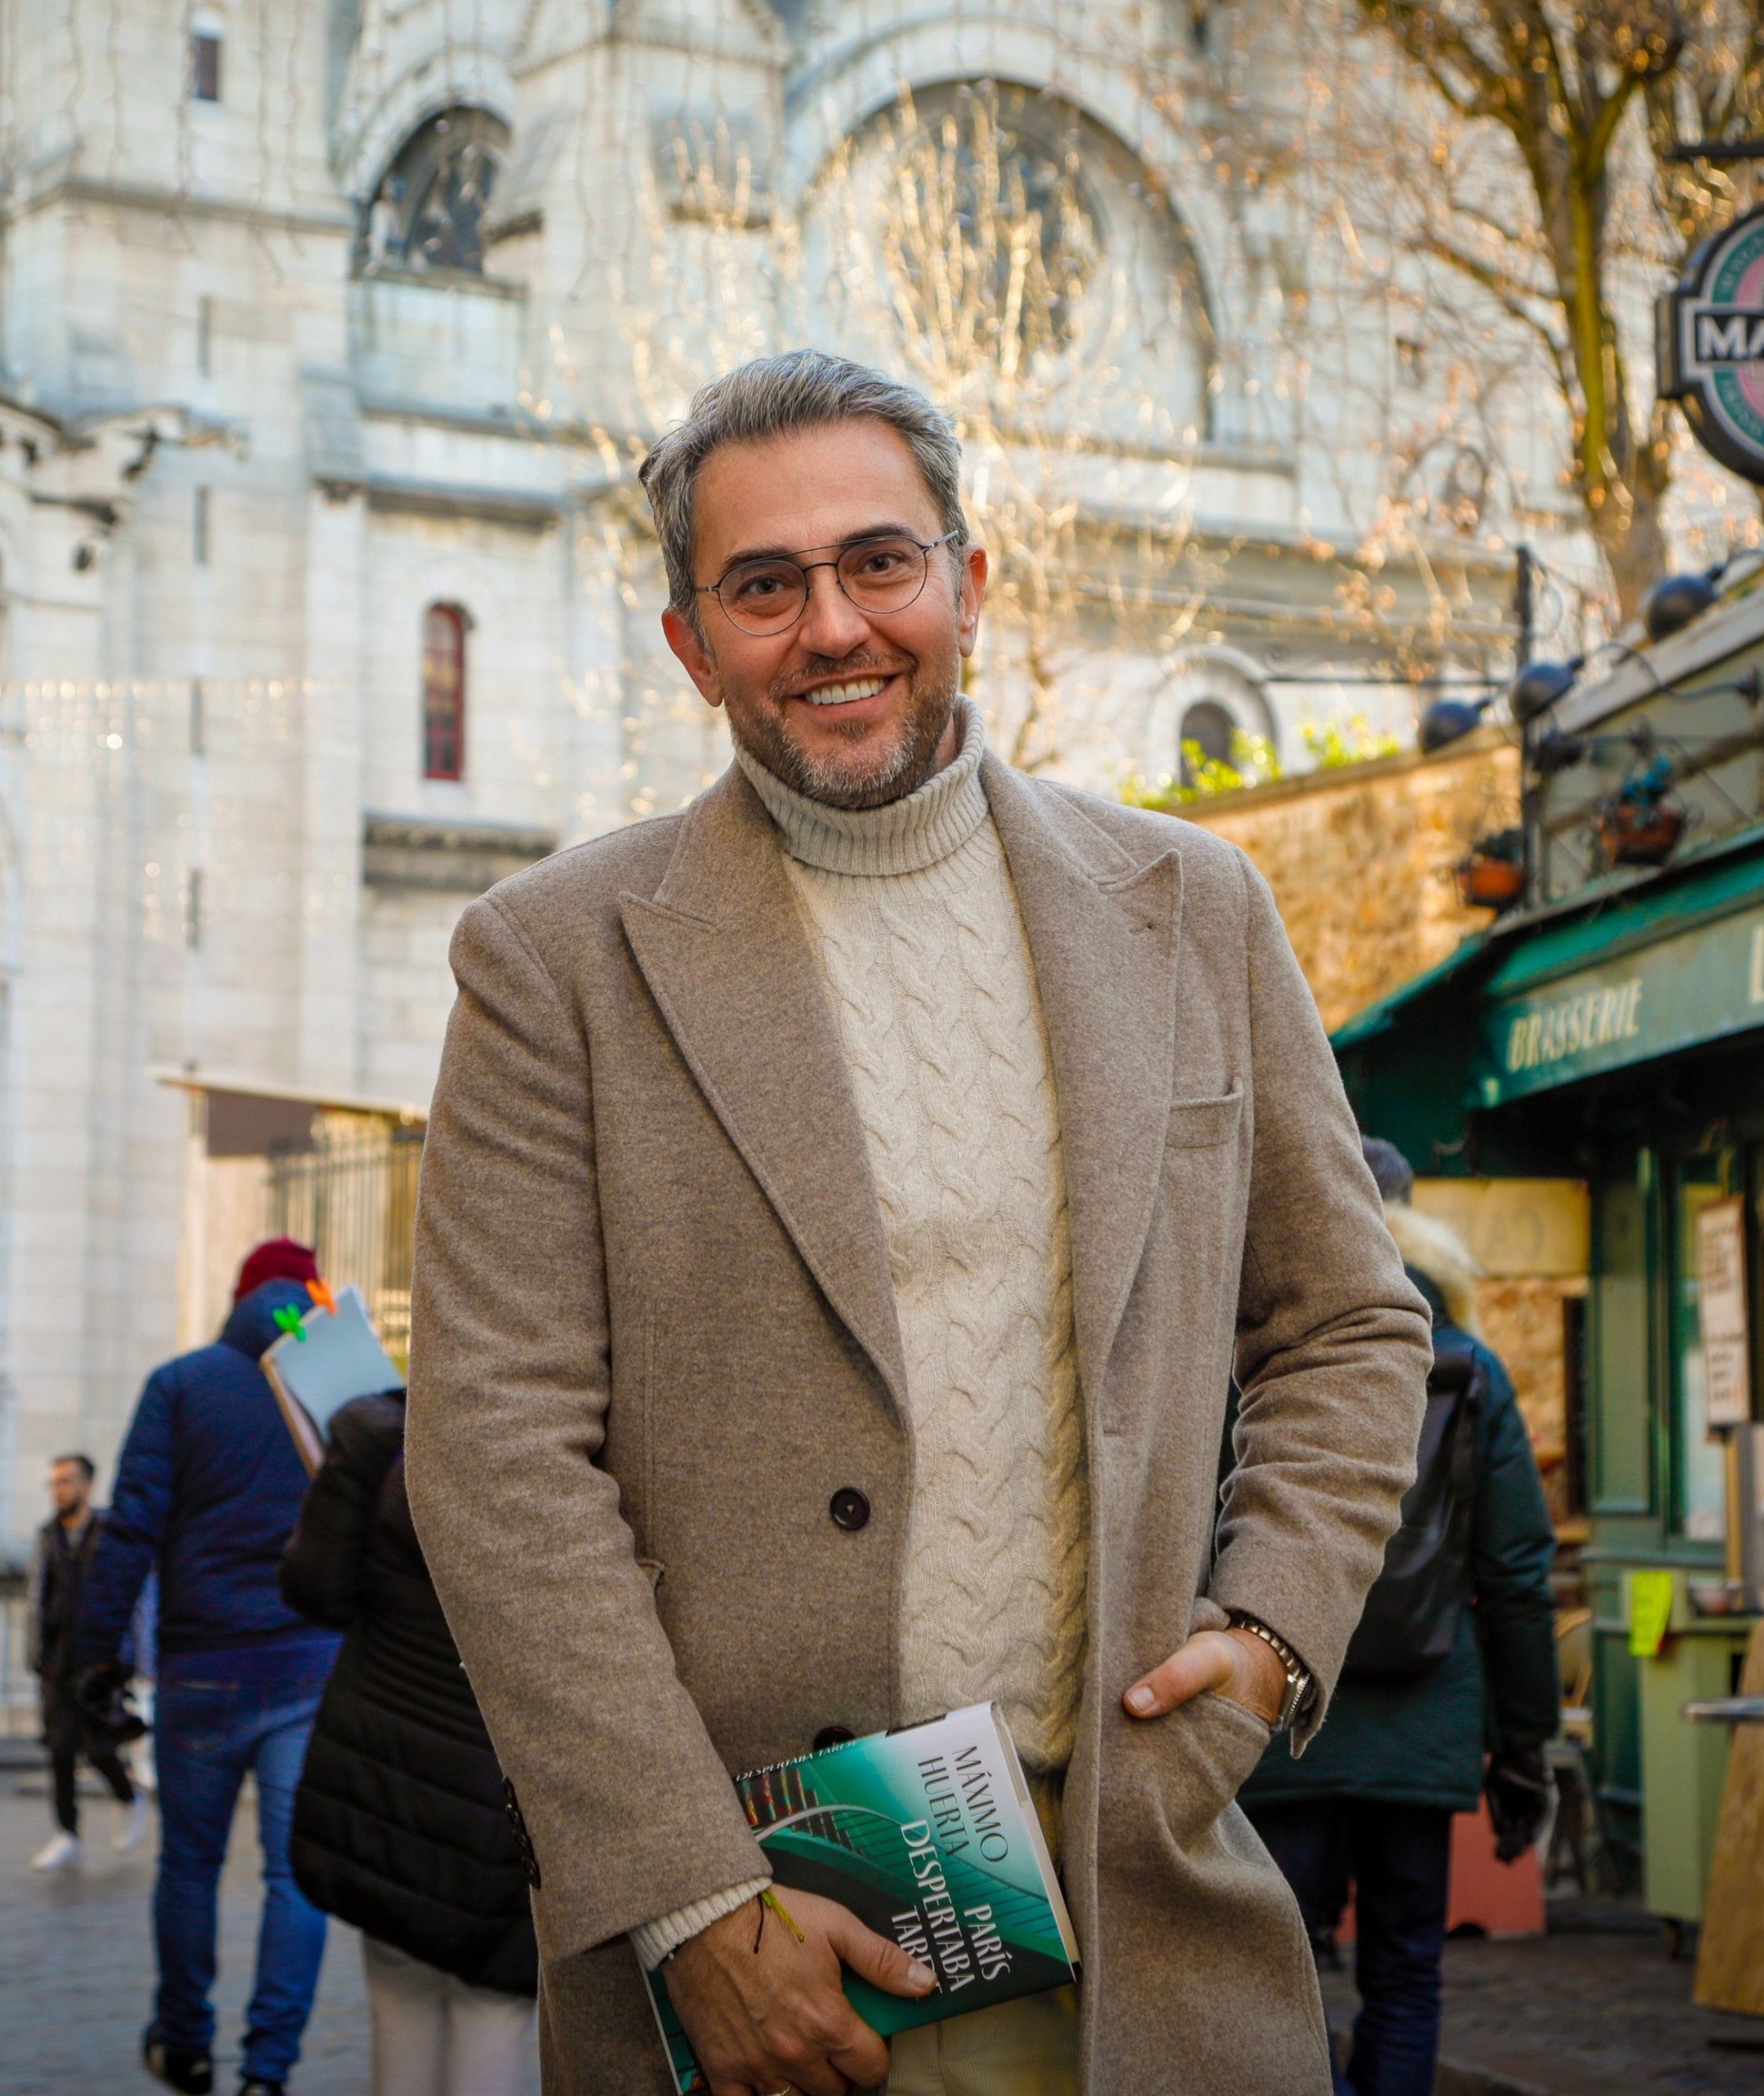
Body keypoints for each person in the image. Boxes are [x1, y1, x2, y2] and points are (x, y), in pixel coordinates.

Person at [402, 350, 1430, 2096]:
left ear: (969, 580)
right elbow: (498, 1450)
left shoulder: (1195, 908)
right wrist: (690, 1902)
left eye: (880, 562)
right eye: (763, 585)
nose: (833, 626)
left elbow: (1348, 1319)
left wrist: (1267, 1641)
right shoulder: (552, 959)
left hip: (1135, 1881)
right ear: (689, 641)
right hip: (764, 1945)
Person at [1238, 1167, 1560, 2096]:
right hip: (1427, 1715)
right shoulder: (1470, 1365)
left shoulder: (1251, 1353)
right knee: (1406, 1970)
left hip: (1277, 1706)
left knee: (1272, 1975)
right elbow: (1513, 1574)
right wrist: (1525, 1745)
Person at [75, 1239, 347, 2096]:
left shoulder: (180, 1384)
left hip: (201, 1671)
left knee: (188, 1865)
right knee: (293, 1874)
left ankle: (186, 2040)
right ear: (309, 1302)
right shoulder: (333, 1385)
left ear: (233, 1301)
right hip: (310, 1667)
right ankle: (269, 2070)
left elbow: (131, 1531)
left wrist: (92, 1655)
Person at [282, 1387, 536, 2096]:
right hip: (505, 1808)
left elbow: (314, 1590)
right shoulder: (576, 1446)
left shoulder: (383, 1433)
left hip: (383, 1778)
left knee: (399, 1996)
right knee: (493, 2010)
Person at [32, 1450, 144, 1870]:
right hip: (58, 1660)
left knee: (98, 1747)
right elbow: (36, 1596)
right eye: (54, 1482)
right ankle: (67, 1832)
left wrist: (135, 1657)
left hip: (101, 1661)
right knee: (60, 1748)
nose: (59, 1490)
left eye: (66, 1481)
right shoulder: (47, 1536)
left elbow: (132, 1596)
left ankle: (128, 1796)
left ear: (86, 1485)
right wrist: (36, 1653)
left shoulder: (110, 1532)